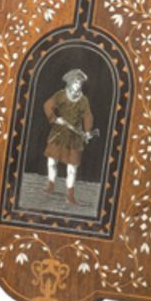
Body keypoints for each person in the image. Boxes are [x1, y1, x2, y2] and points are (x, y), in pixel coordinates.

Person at [42, 69, 95, 204]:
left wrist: (87, 131)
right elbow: (47, 106)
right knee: (52, 162)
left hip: (74, 138)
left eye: (80, 83)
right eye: (77, 82)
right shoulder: (60, 95)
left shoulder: (83, 100)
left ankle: (70, 195)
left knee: (72, 168)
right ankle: (51, 185)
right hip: (58, 134)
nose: (79, 85)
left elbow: (87, 116)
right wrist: (54, 118)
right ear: (70, 83)